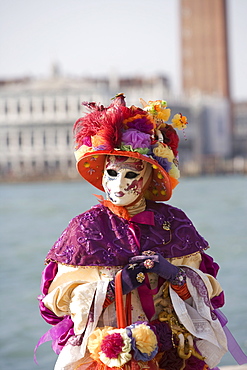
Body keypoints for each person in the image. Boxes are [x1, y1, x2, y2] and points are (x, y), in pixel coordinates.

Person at [37, 94, 241, 370]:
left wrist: (176, 276)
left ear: (147, 178)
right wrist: (112, 288)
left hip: (172, 352)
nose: (118, 183)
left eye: (131, 174)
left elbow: (211, 295)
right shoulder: (85, 228)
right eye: (111, 173)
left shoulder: (174, 223)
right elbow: (55, 305)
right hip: (108, 354)